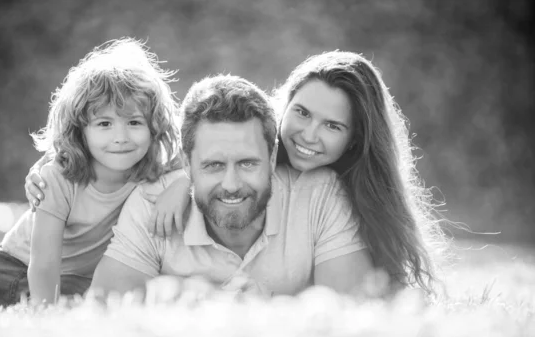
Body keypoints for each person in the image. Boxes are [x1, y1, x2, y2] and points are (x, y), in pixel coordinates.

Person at [121, 51, 447, 296]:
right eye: (302, 113)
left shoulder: (350, 190)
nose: (307, 135)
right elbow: (213, 154)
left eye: (332, 126)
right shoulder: (260, 142)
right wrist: (182, 182)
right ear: (284, 107)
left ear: (355, 140)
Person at [0, 37, 181, 308]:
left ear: (154, 126)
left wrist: (179, 187)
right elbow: (43, 264)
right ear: (80, 130)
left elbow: (200, 165)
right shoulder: (59, 178)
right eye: (104, 123)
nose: (120, 137)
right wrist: (45, 311)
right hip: (17, 264)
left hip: (77, 279)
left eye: (134, 122)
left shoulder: (154, 170)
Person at [87, 74, 374, 299]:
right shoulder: (151, 204)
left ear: (273, 157)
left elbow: (350, 311)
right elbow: (105, 313)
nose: (232, 185)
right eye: (214, 166)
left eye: (248, 163)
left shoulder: (319, 195)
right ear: (186, 164)